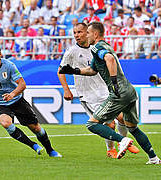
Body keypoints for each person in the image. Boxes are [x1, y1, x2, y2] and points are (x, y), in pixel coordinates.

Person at [59, 21, 160, 164]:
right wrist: (74, 71)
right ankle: (154, 158)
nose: (86, 35)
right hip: (129, 91)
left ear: (94, 34)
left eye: (87, 32)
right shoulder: (105, 46)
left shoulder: (97, 48)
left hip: (118, 93)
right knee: (132, 127)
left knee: (92, 124)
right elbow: (92, 70)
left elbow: (110, 59)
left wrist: (113, 83)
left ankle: (122, 140)